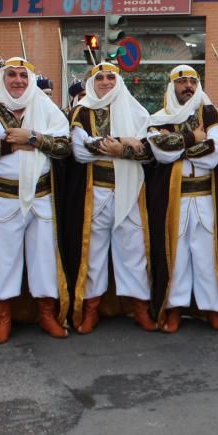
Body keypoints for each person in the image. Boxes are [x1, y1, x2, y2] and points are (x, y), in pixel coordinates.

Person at [0, 57, 72, 344]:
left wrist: (32, 138)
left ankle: (47, 314)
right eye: (12, 75)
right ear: (2, 79)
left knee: (44, 260)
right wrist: (8, 144)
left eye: (23, 76)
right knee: (3, 259)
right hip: (2, 197)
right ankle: (2, 319)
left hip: (41, 197)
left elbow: (64, 146)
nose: (18, 80)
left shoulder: (46, 107)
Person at [68, 62, 157, 333]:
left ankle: (140, 308)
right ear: (91, 83)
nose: (106, 81)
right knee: (93, 251)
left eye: (111, 76)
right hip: (96, 192)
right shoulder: (82, 111)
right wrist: (122, 140)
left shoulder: (138, 111)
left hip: (131, 189)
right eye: (100, 77)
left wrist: (123, 151)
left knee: (133, 250)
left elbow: (149, 151)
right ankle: (91, 308)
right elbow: (80, 150)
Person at [146, 65, 218, 333]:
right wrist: (194, 138)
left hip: (205, 194)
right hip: (175, 196)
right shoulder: (159, 117)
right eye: (182, 82)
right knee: (177, 253)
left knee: (206, 254)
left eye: (193, 81)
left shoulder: (209, 111)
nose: (188, 87)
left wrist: (177, 146)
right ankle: (174, 308)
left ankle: (211, 308)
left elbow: (214, 153)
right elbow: (160, 153)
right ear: (172, 86)